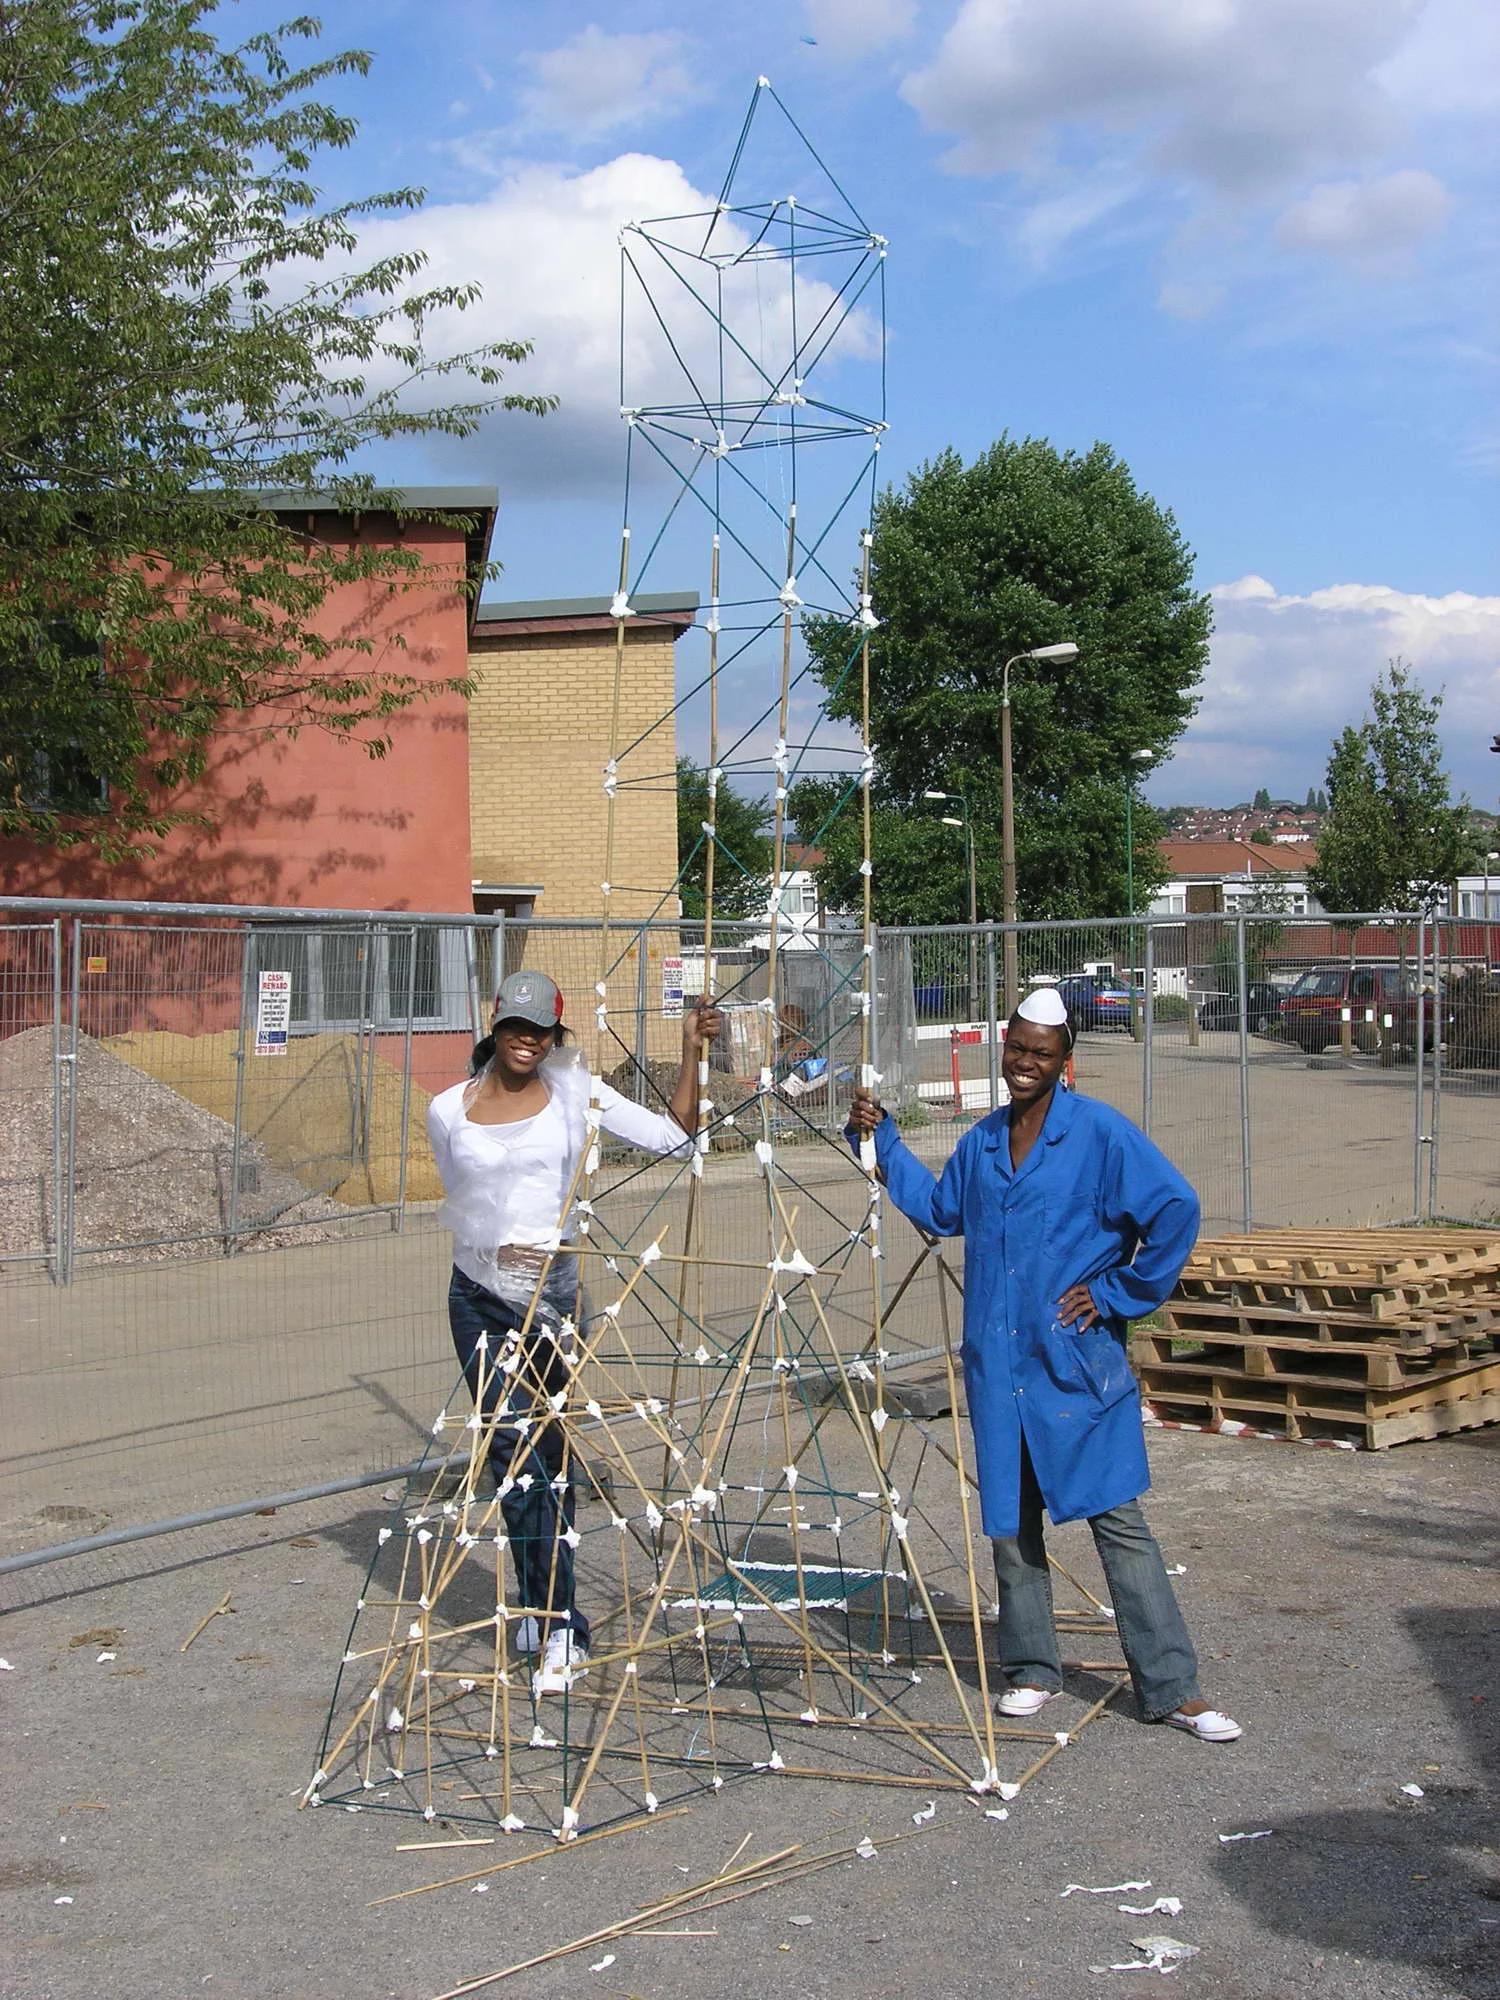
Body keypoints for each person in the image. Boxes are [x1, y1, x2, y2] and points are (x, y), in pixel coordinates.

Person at [847, 986, 1241, 1743]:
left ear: (1067, 1062)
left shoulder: (1099, 1136)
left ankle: (1171, 1685)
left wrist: (1118, 1292)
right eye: (1017, 1049)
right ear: (1004, 1049)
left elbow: (1175, 1210)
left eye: (1041, 1053)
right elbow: (939, 1211)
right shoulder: (984, 1143)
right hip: (1000, 1366)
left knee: (1117, 1518)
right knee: (1010, 1525)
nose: (1025, 1064)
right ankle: (1031, 1667)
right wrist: (881, 1141)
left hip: (1074, 1364)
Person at [427, 970, 721, 1697]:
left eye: (541, 1031)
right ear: (493, 1028)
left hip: (552, 1300)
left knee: (545, 1450)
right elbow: (462, 1204)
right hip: (477, 1298)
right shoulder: (446, 1110)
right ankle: (545, 1608)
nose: (527, 1043)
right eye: (515, 1029)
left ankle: (559, 1625)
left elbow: (676, 1140)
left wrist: (690, 1054)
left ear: (554, 1035)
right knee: (505, 1449)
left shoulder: (574, 1095)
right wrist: (495, 1254)